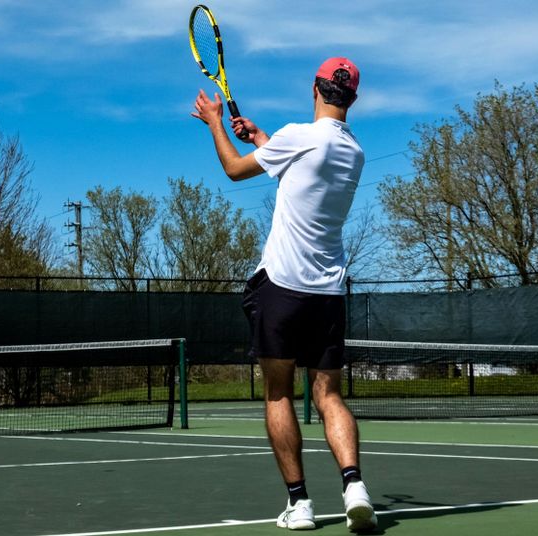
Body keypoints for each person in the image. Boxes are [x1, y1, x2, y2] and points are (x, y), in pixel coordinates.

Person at [191, 57, 377, 532]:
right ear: (351, 98)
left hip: (281, 288)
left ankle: (300, 505)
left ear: (313, 88)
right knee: (329, 395)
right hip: (328, 294)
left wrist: (216, 124)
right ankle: (354, 485)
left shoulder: (299, 135)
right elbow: (297, 173)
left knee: (278, 395)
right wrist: (259, 138)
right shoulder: (353, 151)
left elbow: (234, 171)